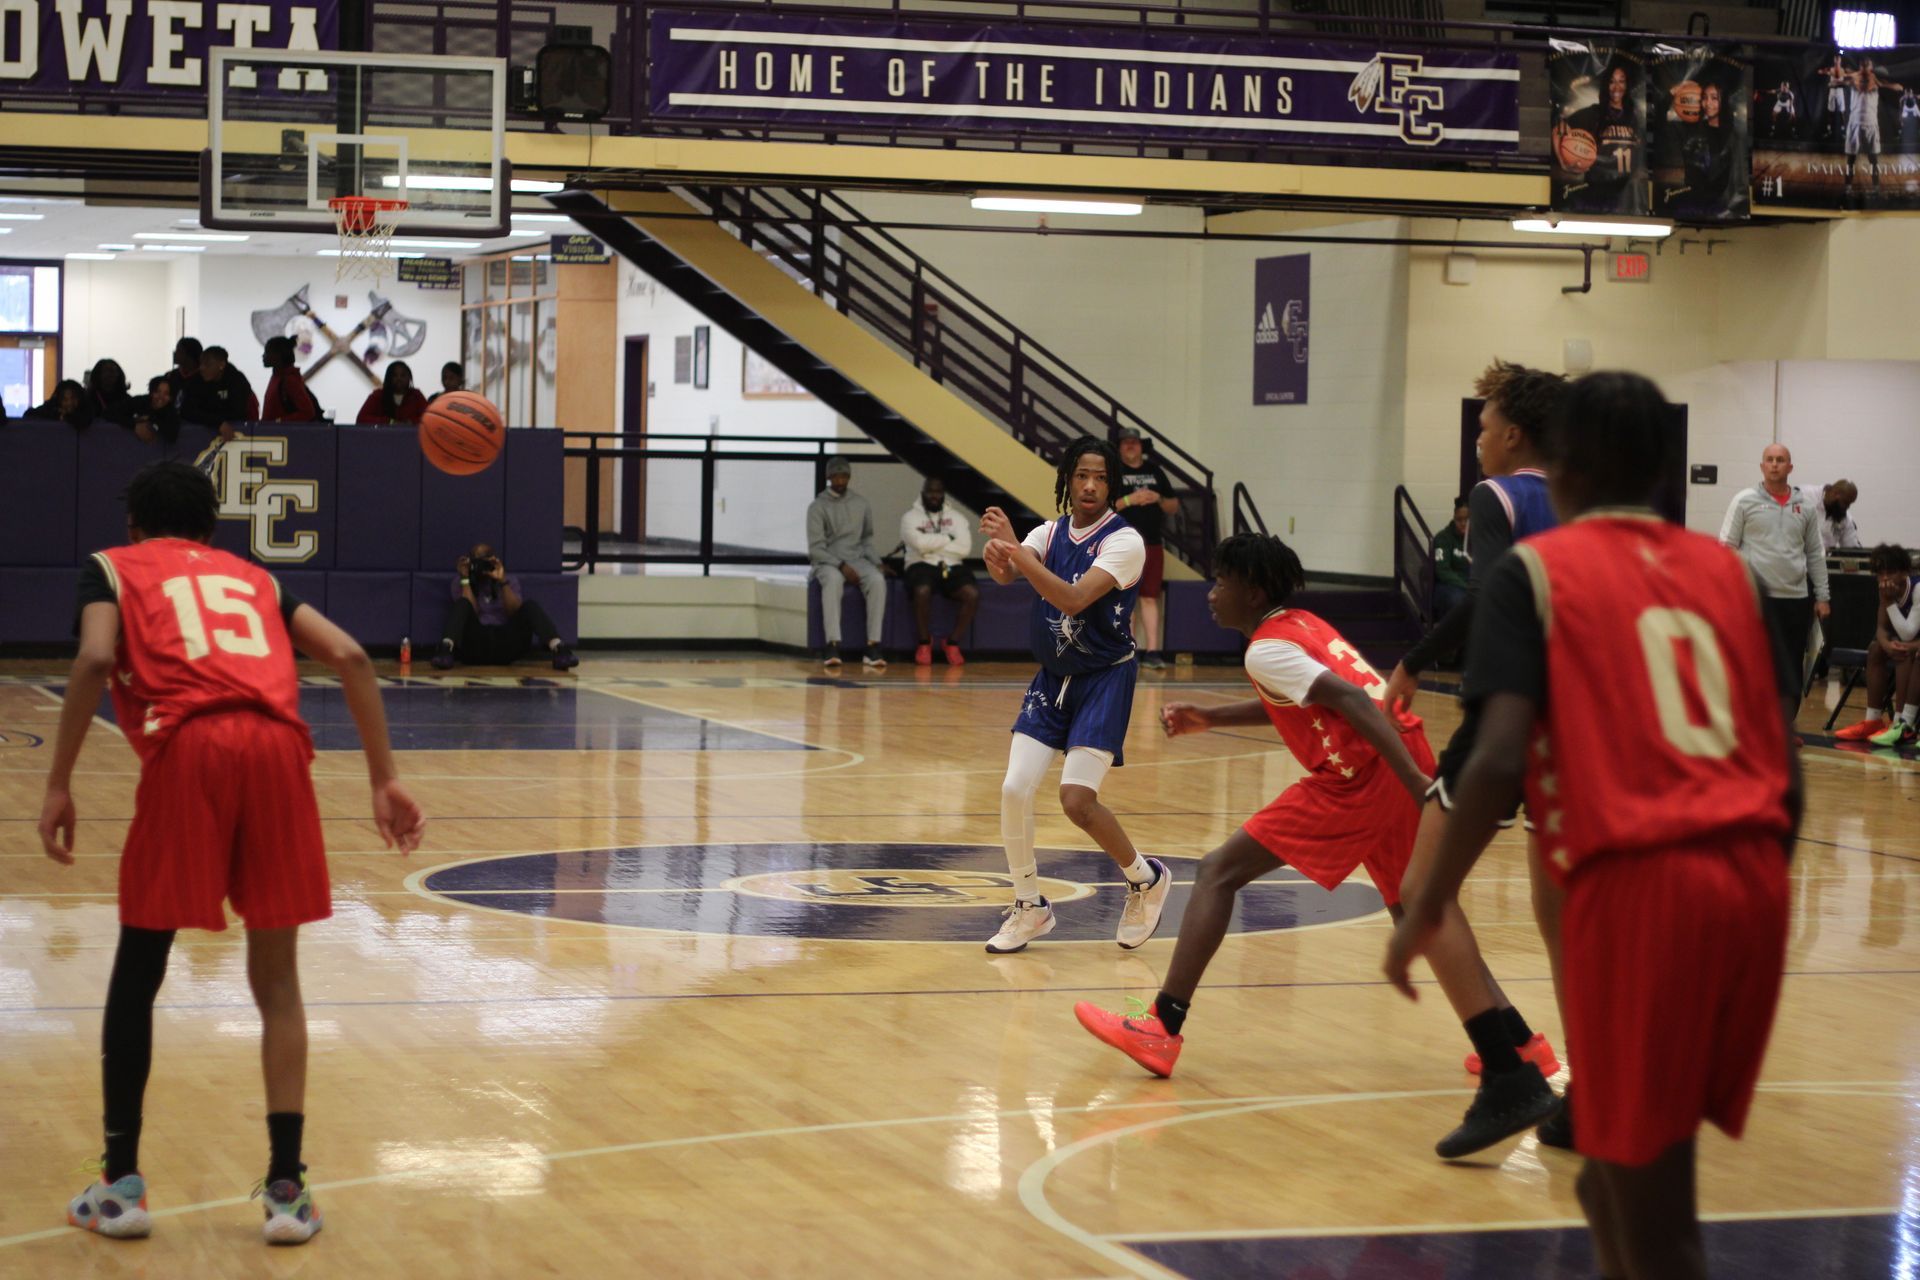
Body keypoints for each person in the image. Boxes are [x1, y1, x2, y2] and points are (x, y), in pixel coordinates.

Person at [1386, 371, 1800, 1280]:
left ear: (1558, 462)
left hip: (1644, 882)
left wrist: (1427, 904)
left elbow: (1500, 754)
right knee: (1607, 1185)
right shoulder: (1726, 571)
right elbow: (1784, 753)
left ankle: (1515, 1075)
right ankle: (1577, 1094)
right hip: (1752, 887)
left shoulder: (1536, 565)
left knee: (1654, 1215)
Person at [37, 460, 426, 1246]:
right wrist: (384, 778)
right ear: (212, 531)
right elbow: (351, 656)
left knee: (139, 971)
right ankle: (287, 1192)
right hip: (281, 751)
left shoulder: (112, 566)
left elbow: (95, 659)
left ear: (133, 527)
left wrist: (58, 783)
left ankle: (120, 1187)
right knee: (277, 980)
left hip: (190, 747)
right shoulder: (255, 578)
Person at [1075, 532, 1557, 1156]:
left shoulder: (1268, 648)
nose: (1212, 593)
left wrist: (1417, 786)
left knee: (1219, 871)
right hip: (1398, 753)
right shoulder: (1300, 626)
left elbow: (1352, 700)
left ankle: (1161, 1025)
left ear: (1253, 592)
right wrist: (1212, 717)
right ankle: (1518, 1043)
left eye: (1221, 582)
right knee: (1416, 911)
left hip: (1364, 776)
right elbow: (1310, 697)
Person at [1384, 359, 1574, 1146]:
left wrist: (1414, 661)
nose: (1480, 441)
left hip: (1510, 711)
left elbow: (1498, 596)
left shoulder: (1500, 497)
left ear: (1514, 435)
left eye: (1485, 427)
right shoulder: (1591, 501)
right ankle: (1593, 1097)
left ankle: (1507, 1075)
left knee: (1421, 891)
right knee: (1561, 916)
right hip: (1582, 719)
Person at [976, 437, 1169, 954]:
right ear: (1067, 479)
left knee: (1076, 801)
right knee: (1014, 788)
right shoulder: (1048, 532)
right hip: (1053, 678)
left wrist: (1015, 551)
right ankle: (1029, 906)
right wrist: (998, 556)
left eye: (1101, 478)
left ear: (1112, 485)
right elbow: (1007, 574)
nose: (1090, 485)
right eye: (1081, 475)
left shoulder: (1125, 542)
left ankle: (1145, 878)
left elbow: (1073, 598)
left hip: (1104, 679)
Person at [1720, 444, 1829, 714]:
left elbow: (1815, 554)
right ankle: (1750, 721)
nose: (1775, 464)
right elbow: (1726, 547)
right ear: (1762, 466)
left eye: (1780, 460)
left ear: (1790, 467)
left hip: (1795, 599)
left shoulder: (1805, 506)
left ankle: (1785, 725)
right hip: (1754, 599)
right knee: (1753, 661)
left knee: (1790, 665)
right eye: (1769, 460)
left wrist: (1823, 596)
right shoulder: (1744, 500)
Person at [429, 543, 579, 671]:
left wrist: (502, 581)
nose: (482, 567)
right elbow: (470, 608)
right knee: (462, 603)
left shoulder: (509, 580)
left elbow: (514, 611)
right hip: (476, 642)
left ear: (494, 561)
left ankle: (559, 650)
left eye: (485, 561)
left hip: (505, 642)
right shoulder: (460, 582)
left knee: (529, 606)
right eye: (477, 561)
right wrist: (466, 580)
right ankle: (445, 650)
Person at [806, 456, 887, 669]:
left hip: (856, 558)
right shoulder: (817, 507)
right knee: (833, 581)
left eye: (844, 476)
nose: (840, 481)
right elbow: (816, 549)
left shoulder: (861, 503)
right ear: (828, 477)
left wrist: (877, 563)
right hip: (827, 561)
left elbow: (866, 540)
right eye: (836, 476)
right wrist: (841, 565)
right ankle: (832, 644)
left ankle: (873, 646)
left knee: (877, 580)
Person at [1836, 544, 1920, 745]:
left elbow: (1908, 633)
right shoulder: (1887, 590)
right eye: (1880, 574)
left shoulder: (1917, 588)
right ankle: (1873, 720)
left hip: (1915, 643)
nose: (1885, 578)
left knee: (1904, 650)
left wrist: (1888, 602)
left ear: (1905, 572)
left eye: (1890, 572)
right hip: (1911, 642)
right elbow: (1881, 629)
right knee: (1876, 649)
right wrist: (1886, 645)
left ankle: (1901, 722)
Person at [1114, 427, 1180, 669]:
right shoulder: (1114, 472)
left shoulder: (1155, 471)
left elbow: (1173, 506)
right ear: (1120, 447)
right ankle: (1129, 649)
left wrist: (1158, 498)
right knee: (1127, 598)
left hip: (1152, 543)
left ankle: (1152, 651)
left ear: (1141, 446)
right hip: (1123, 545)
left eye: (1134, 442)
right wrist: (1130, 500)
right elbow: (1105, 507)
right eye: (1126, 442)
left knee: (1150, 597)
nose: (1131, 446)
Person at [900, 475, 979, 666]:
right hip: (921, 564)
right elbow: (919, 544)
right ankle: (924, 642)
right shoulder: (910, 518)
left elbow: (964, 548)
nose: (934, 496)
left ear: (943, 494)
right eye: (930, 492)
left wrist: (930, 546)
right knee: (922, 590)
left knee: (972, 594)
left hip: (951, 565)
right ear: (923, 493)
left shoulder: (957, 518)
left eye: (938, 492)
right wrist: (948, 538)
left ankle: (952, 643)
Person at [1838, 57, 1906, 198]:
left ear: (1870, 68)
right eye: (1862, 65)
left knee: (1873, 159)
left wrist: (1882, 84)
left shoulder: (1876, 81)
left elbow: (1898, 87)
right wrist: (1847, 76)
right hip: (1855, 123)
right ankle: (1847, 189)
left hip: (1871, 123)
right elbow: (1837, 81)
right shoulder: (1853, 80)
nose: (1864, 68)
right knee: (1851, 159)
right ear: (1860, 67)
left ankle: (1876, 189)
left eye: (1867, 65)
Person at [183, 345, 258, 441]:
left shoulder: (237, 380)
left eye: (207, 364)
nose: (202, 368)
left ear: (221, 365)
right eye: (201, 363)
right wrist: (218, 422)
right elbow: (187, 411)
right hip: (199, 436)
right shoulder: (196, 381)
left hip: (237, 435)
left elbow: (238, 412)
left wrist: (212, 418)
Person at [260, 336, 322, 424]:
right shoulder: (277, 377)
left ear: (278, 355)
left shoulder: (290, 380)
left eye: (267, 352)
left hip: (280, 432)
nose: (263, 356)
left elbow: (308, 412)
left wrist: (277, 422)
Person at [1431, 497, 1472, 620]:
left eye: (1467, 519)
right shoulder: (1443, 538)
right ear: (1454, 518)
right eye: (1459, 520)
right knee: (1460, 600)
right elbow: (1442, 570)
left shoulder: (1476, 537)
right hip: (1448, 585)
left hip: (1471, 584)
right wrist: (1466, 587)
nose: (1463, 523)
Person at [356, 361, 428, 426]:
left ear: (409, 378)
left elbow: (429, 418)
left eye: (403, 375)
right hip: (384, 435)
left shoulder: (416, 395)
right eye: (394, 375)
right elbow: (361, 419)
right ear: (388, 378)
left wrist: (411, 422)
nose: (399, 379)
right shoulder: (378, 395)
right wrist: (389, 422)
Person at [1806, 479, 1862, 553]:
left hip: (1825, 558)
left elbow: (1852, 549)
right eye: (1845, 502)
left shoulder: (1845, 518)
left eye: (1850, 504)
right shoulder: (1805, 495)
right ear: (1835, 494)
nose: (1848, 507)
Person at [84, 360, 137, 431]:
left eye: (114, 371)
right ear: (98, 374)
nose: (110, 374)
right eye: (106, 371)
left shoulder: (126, 398)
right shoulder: (87, 398)